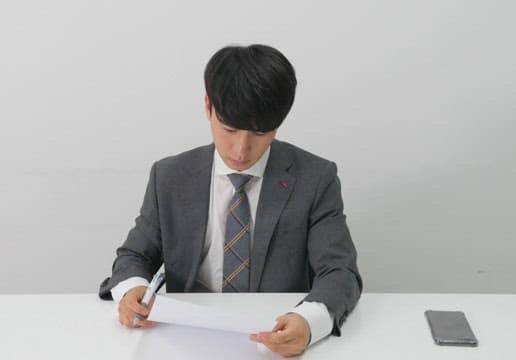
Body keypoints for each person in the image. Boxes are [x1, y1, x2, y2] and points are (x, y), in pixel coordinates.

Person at [99, 44, 362, 357]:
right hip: (188, 340)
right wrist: (132, 290)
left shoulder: (316, 178)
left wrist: (308, 321)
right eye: (229, 129)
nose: (241, 150)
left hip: (275, 339)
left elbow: (339, 271)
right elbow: (134, 255)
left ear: (279, 122)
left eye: (260, 133)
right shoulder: (169, 176)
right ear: (208, 107)